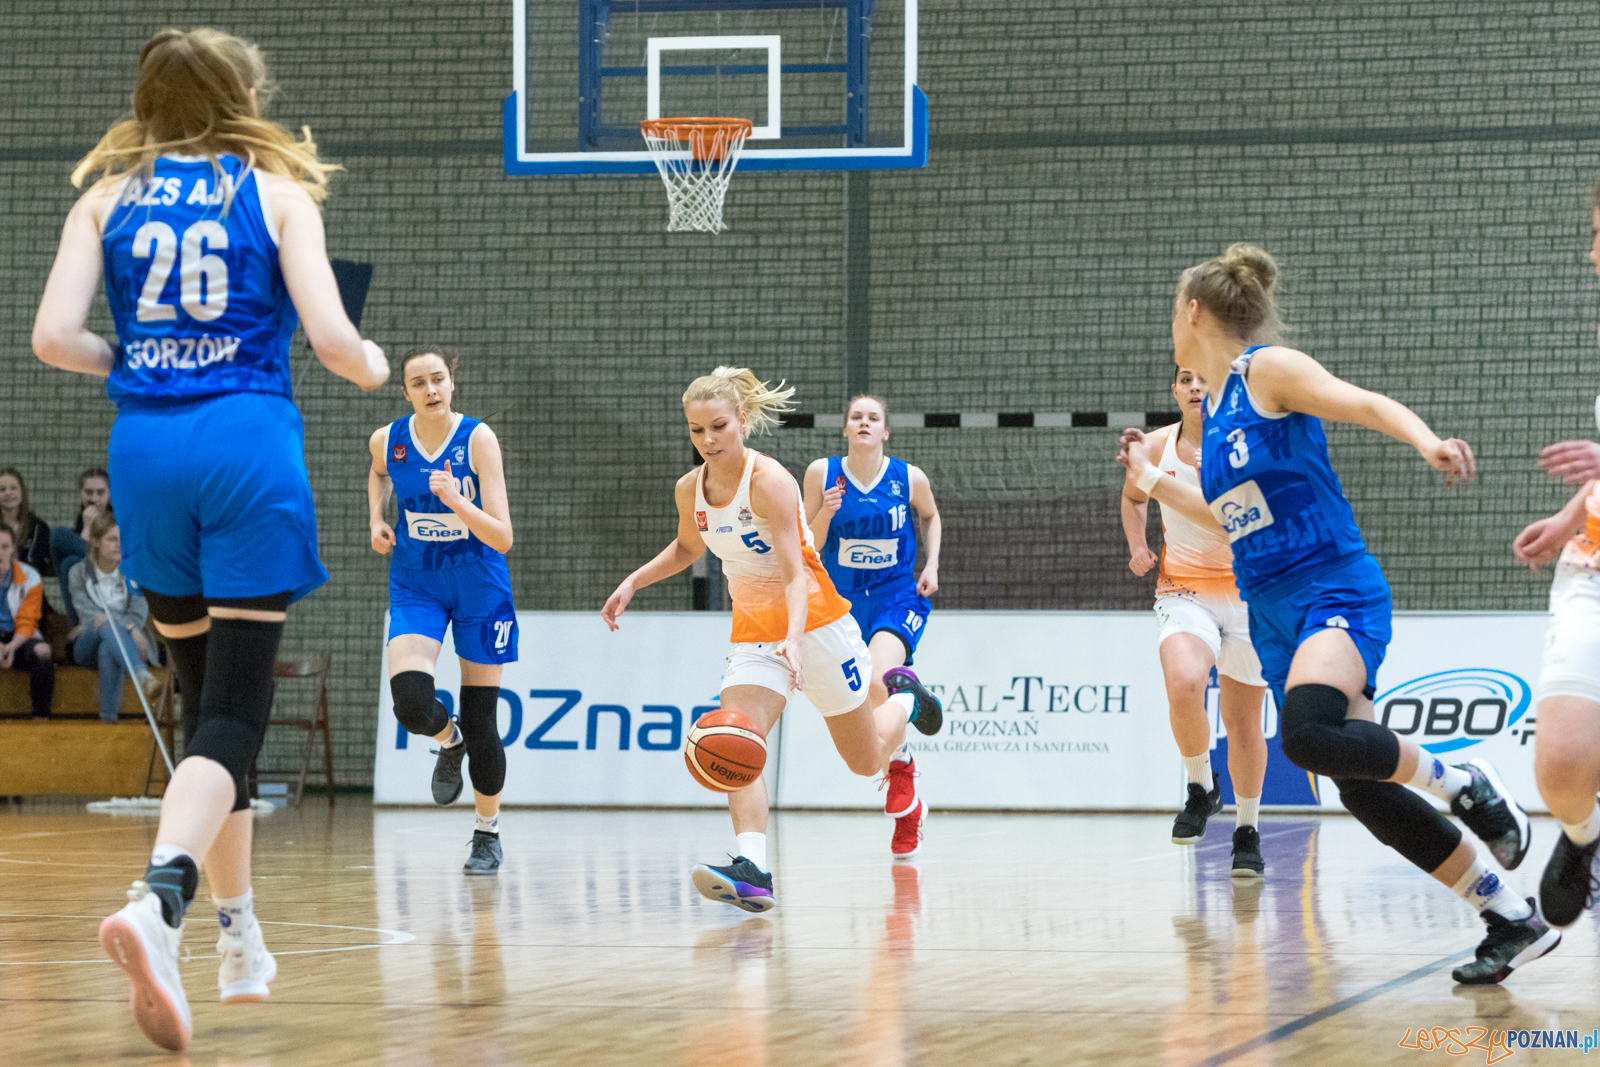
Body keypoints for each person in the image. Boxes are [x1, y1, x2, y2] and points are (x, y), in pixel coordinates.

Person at [31, 27, 388, 1051]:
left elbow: (53, 340)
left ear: (146, 102)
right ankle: (161, 897)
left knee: (204, 720)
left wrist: (143, 365)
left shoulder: (106, 198)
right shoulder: (275, 192)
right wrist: (367, 361)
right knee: (236, 713)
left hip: (144, 450)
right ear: (242, 96)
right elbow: (328, 340)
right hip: (244, 439)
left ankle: (239, 939)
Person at [1120, 243, 1555, 985]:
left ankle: (1463, 778)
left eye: (1173, 312)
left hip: (1332, 586)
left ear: (1192, 312)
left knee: (1308, 733)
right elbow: (1229, 514)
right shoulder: (1216, 411)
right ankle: (1509, 915)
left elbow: (1359, 401)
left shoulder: (1265, 370)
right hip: (1272, 610)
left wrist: (1425, 440)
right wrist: (1152, 479)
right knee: (1359, 785)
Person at [601, 367, 945, 912]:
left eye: (718, 427)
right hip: (756, 633)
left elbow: (793, 574)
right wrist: (632, 581)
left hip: (819, 626)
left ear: (742, 421)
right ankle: (753, 869)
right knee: (739, 739)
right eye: (696, 431)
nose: (708, 441)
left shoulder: (771, 482)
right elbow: (688, 548)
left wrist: (793, 637)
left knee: (864, 760)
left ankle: (909, 700)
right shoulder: (690, 488)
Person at [369, 347, 515, 876]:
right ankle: (444, 739)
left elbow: (503, 536)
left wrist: (458, 502)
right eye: (418, 383)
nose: (430, 390)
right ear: (405, 392)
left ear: (453, 383)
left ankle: (486, 833)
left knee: (483, 722)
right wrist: (376, 519)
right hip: (417, 583)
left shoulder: (477, 439)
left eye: (438, 379)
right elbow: (379, 474)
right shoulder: (389, 440)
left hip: (480, 585)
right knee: (410, 704)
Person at [1118, 367, 1269, 874]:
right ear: (1176, 391)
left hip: (1249, 593)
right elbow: (1134, 497)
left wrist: (1153, 480)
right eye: (1186, 379)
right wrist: (1138, 544)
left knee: (1244, 725)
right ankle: (1200, 786)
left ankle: (1247, 830)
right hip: (1185, 588)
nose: (1196, 386)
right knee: (1184, 682)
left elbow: (1234, 513)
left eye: (1206, 379)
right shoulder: (1156, 444)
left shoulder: (1246, 445)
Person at [1509, 184, 1600, 930]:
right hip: (1594, 570)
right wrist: (1570, 512)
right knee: (1562, 768)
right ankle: (1582, 836)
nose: (1592, 253)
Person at [802, 394, 942, 858]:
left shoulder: (908, 477)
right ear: (845, 429)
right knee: (868, 703)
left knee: (880, 681)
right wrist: (824, 511)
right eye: (856, 417)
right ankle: (908, 794)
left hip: (896, 596)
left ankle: (901, 771)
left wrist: (932, 566)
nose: (864, 423)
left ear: (885, 431)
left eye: (873, 418)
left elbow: (931, 515)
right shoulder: (822, 474)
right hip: (840, 605)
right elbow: (809, 544)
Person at [68, 511, 162, 722]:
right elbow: (87, 612)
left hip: (126, 645)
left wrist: (127, 625)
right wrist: (128, 627)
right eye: (112, 539)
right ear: (96, 542)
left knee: (107, 647)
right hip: (88, 643)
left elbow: (139, 612)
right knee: (102, 623)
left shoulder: (135, 573)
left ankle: (108, 720)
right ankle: (140, 673)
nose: (119, 545)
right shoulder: (78, 572)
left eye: (122, 540)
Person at [0, 525, 55, 721]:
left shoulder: (30, 576)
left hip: (19, 636)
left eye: (4, 547)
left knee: (42, 652)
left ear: (13, 549)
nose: (0, 553)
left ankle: (41, 719)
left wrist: (11, 647)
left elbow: (28, 621)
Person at [51, 467, 113, 627]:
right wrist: (86, 526)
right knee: (69, 563)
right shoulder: (83, 518)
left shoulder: (115, 520)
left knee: (59, 535)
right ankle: (80, 628)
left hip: (113, 575)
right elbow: (84, 562)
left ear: (109, 494)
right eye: (89, 492)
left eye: (100, 492)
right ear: (81, 493)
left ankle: (77, 628)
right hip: (88, 581)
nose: (94, 498)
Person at [0, 468, 53, 577]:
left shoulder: (38, 527)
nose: (8, 493)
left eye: (13, 488)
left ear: (22, 492)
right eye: (2, 489)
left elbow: (40, 564)